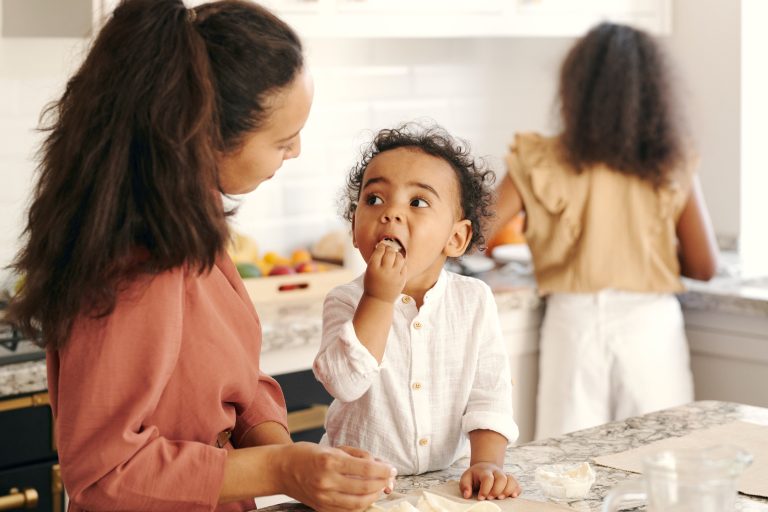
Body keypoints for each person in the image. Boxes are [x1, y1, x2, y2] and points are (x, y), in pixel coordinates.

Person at [6, 1, 396, 511]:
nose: (296, 150)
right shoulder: (134, 265)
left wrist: (305, 466)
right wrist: (283, 468)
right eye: (283, 139)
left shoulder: (187, 221)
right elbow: (105, 475)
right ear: (205, 137)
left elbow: (236, 379)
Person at [487, 22, 719, 440]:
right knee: (663, 462)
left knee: (564, 472)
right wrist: (644, 250)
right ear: (653, 92)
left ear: (575, 89)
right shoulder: (671, 158)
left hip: (572, 324)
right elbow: (703, 265)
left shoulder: (540, 158)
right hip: (651, 326)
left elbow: (473, 232)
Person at [313, 124, 522, 502]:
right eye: (374, 199)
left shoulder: (474, 300)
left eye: (418, 202)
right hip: (359, 488)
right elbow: (345, 383)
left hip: (447, 487)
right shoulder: (345, 301)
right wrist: (378, 300)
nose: (390, 213)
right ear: (355, 228)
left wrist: (488, 464)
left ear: (455, 238)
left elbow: (489, 395)